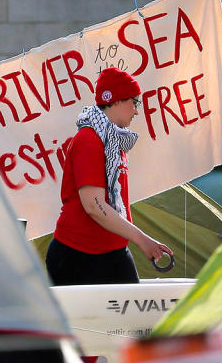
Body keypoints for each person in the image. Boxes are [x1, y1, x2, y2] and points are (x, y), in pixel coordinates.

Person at [45, 68, 173, 286]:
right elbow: (94, 206)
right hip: (77, 255)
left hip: (112, 251)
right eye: (134, 102)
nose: (136, 110)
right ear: (115, 100)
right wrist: (143, 240)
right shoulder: (88, 139)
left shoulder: (114, 141)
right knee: (93, 321)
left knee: (134, 319)